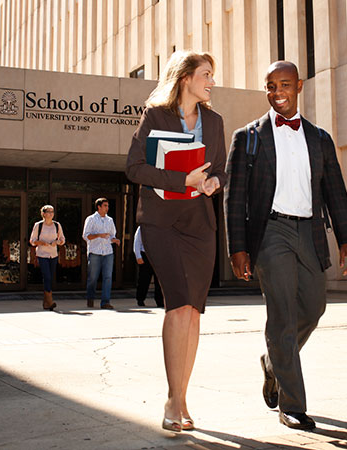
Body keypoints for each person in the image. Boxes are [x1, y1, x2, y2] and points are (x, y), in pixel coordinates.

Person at [224, 61, 347, 431]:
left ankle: (273, 361)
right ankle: (292, 404)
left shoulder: (320, 138)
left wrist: (346, 238)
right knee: (281, 315)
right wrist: (238, 247)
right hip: (271, 233)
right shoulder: (247, 137)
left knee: (313, 308)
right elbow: (235, 199)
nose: (277, 91)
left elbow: (335, 193)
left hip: (310, 232)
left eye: (284, 84)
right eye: (270, 85)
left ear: (299, 85)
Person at [126, 50, 227, 432]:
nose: (211, 81)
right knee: (177, 302)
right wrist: (180, 181)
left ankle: (182, 396)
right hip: (162, 223)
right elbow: (134, 168)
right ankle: (174, 399)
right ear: (185, 77)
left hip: (200, 224)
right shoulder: (155, 115)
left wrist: (216, 182)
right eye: (206, 74)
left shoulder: (214, 122)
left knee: (194, 309)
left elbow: (220, 169)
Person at [82, 198, 120, 310]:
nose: (107, 208)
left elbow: (112, 235)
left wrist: (115, 240)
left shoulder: (110, 220)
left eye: (108, 206)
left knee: (108, 277)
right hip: (95, 252)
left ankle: (105, 302)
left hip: (108, 252)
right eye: (105, 205)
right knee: (93, 277)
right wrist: (99, 235)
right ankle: (90, 297)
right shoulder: (91, 219)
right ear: (99, 207)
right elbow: (86, 236)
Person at [29, 205, 65, 310]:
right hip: (42, 254)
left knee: (49, 278)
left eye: (52, 212)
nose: (51, 214)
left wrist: (57, 242)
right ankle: (50, 301)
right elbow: (32, 241)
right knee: (47, 276)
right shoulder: (38, 226)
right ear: (43, 214)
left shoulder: (57, 225)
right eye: (48, 212)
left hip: (53, 254)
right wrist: (40, 242)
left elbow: (62, 239)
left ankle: (46, 303)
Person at [133, 225, 164, 307]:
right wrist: (138, 256)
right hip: (145, 255)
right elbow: (137, 242)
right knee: (144, 279)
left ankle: (159, 301)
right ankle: (140, 299)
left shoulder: (160, 227)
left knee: (159, 280)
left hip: (158, 256)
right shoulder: (141, 228)